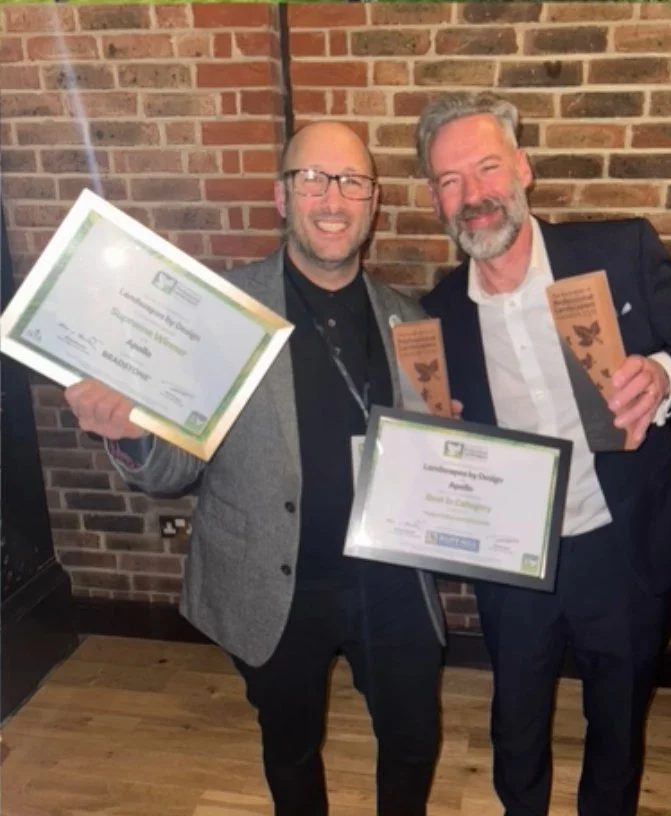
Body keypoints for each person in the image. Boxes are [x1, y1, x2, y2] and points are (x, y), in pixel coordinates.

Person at [65, 122, 447, 816]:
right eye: (312, 179)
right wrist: (131, 435)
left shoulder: (409, 320)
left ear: (374, 201)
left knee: (415, 741)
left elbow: (436, 450)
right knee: (291, 748)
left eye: (351, 182)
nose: (333, 198)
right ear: (281, 196)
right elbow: (171, 466)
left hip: (391, 582)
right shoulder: (222, 313)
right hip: (276, 581)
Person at [416, 92, 671, 816]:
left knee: (619, 727)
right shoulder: (436, 313)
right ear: (434, 198)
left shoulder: (618, 251)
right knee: (516, 726)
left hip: (621, 547)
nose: (473, 196)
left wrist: (664, 374)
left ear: (523, 168)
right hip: (516, 563)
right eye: (449, 181)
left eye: (487, 168)